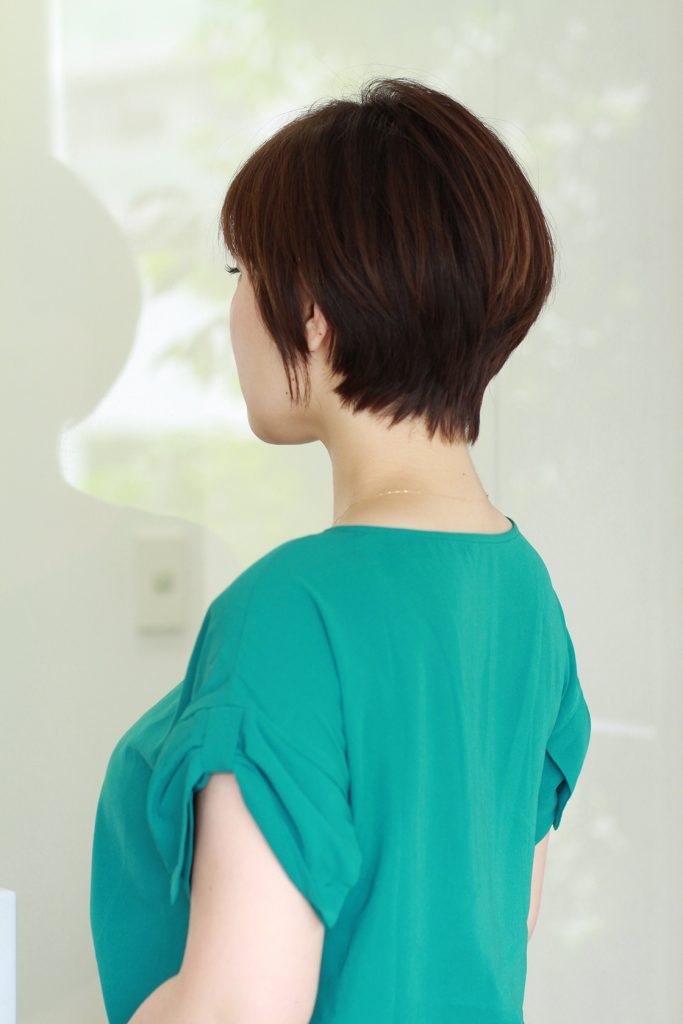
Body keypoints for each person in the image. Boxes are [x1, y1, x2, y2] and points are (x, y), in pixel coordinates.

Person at [90, 76, 592, 1023]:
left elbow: (239, 1007)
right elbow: (492, 938)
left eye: (241, 275)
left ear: (312, 311)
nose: (234, 314)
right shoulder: (524, 594)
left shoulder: (291, 612)